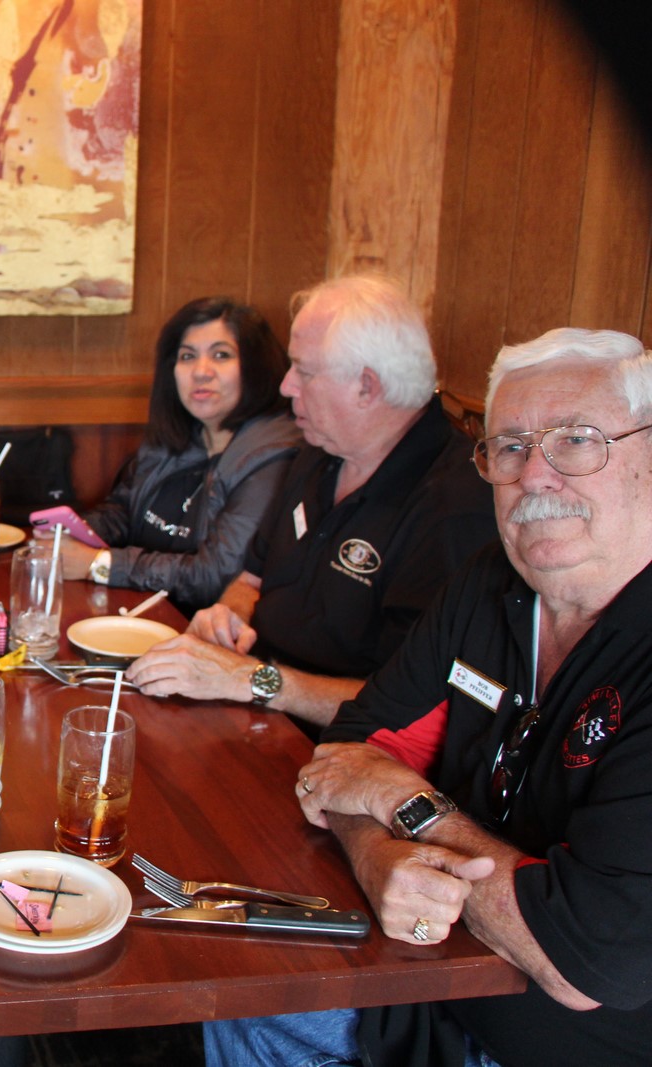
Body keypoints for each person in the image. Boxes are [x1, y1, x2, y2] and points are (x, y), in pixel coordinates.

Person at [209, 327, 652, 1066]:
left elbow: (584, 960)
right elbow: (349, 752)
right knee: (246, 981)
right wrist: (376, 853)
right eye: (509, 446)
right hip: (428, 992)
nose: (535, 476)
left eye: (577, 440)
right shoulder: (492, 581)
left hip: (555, 1042)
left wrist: (409, 809)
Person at [127, 275, 496, 728]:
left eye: (302, 370)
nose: (285, 386)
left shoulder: (454, 507)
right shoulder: (320, 450)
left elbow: (412, 703)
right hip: (253, 707)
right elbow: (251, 579)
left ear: (366, 386)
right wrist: (228, 614)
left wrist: (255, 681)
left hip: (339, 749)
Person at [57, 296, 303, 613]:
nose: (201, 372)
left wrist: (99, 564)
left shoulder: (273, 454)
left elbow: (215, 576)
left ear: (256, 367)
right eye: (187, 356)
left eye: (221, 355)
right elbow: (124, 510)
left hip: (202, 633)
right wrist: (70, 535)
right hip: (137, 610)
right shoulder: (180, 432)